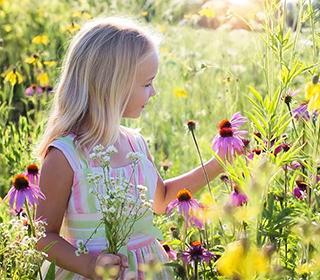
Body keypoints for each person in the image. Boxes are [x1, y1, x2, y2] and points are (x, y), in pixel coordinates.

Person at [35, 16, 230, 279]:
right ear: (112, 86)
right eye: (147, 83)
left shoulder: (134, 143)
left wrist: (218, 163)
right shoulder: (66, 156)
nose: (154, 92)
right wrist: (89, 266)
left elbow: (161, 201)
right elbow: (43, 236)